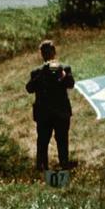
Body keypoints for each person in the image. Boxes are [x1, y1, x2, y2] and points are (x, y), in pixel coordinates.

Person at [26, 39, 75, 171]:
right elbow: (29, 88)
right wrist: (43, 72)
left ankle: (64, 168)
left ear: (54, 52)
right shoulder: (37, 72)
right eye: (44, 52)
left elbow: (70, 84)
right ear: (41, 54)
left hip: (60, 113)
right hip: (45, 114)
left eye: (48, 51)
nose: (46, 54)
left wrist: (62, 74)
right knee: (42, 142)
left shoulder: (64, 68)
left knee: (62, 142)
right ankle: (41, 170)